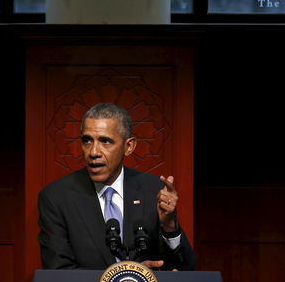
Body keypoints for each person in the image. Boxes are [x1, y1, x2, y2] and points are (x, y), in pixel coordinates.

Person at [38, 102, 196, 271]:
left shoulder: (153, 190)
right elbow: (59, 272)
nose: (93, 152)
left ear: (129, 146)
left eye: (105, 141)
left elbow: (185, 268)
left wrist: (169, 226)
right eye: (87, 141)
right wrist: (128, 277)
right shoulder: (56, 197)